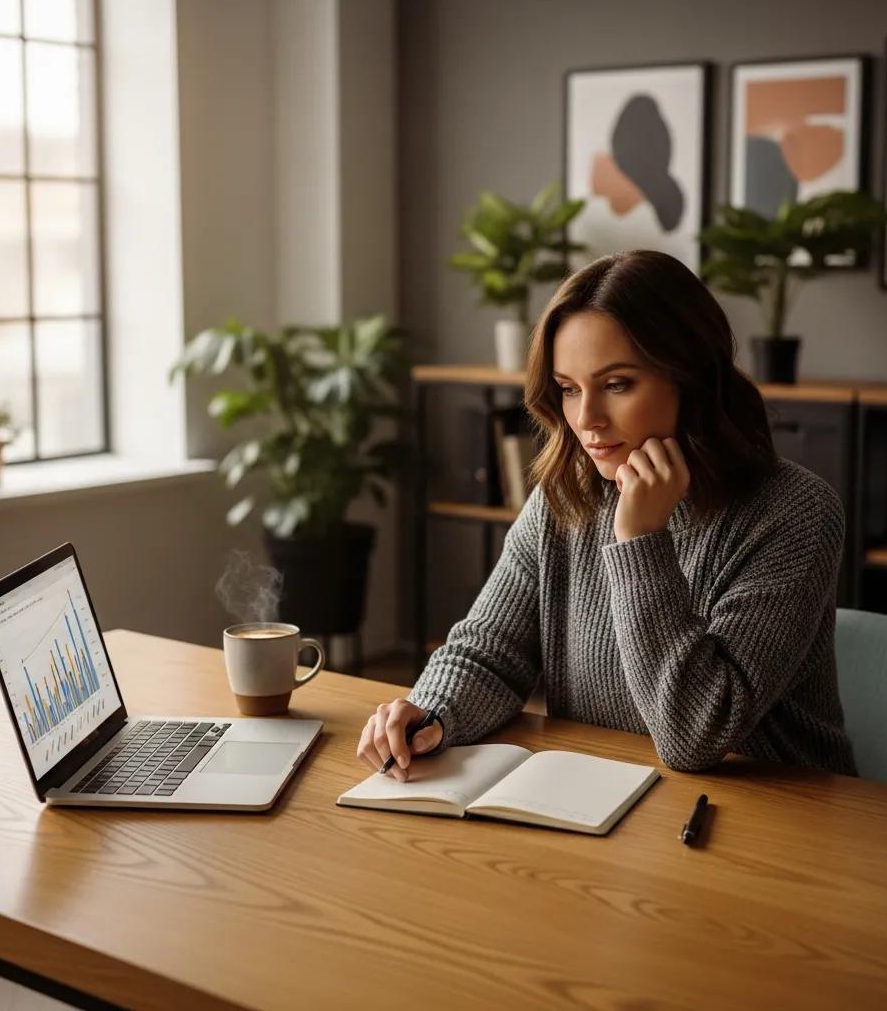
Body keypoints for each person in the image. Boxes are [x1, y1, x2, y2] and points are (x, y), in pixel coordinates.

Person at [357, 250, 857, 781]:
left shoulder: (795, 512)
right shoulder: (565, 495)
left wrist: (639, 539)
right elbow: (489, 652)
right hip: (604, 797)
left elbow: (695, 736)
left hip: (780, 820)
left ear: (690, 378)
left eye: (617, 384)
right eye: (569, 389)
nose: (587, 420)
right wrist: (432, 710)